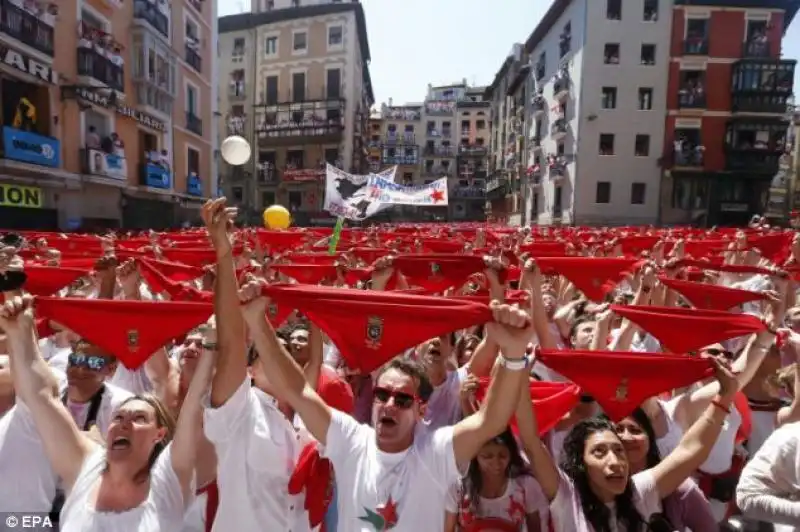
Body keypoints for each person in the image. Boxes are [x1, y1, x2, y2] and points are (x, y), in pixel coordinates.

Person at [0, 292, 203, 531]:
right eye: (119, 417)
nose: (124, 423)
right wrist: (20, 333)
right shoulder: (85, 467)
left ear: (160, 434)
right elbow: (41, 394)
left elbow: (195, 406)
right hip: (33, 521)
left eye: (139, 418)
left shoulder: (168, 483)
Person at [513, 348, 739, 531]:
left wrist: (725, 396)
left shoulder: (640, 493)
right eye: (599, 452)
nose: (615, 461)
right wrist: (519, 375)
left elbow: (690, 450)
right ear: (581, 463)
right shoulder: (567, 498)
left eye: (619, 451)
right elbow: (532, 443)